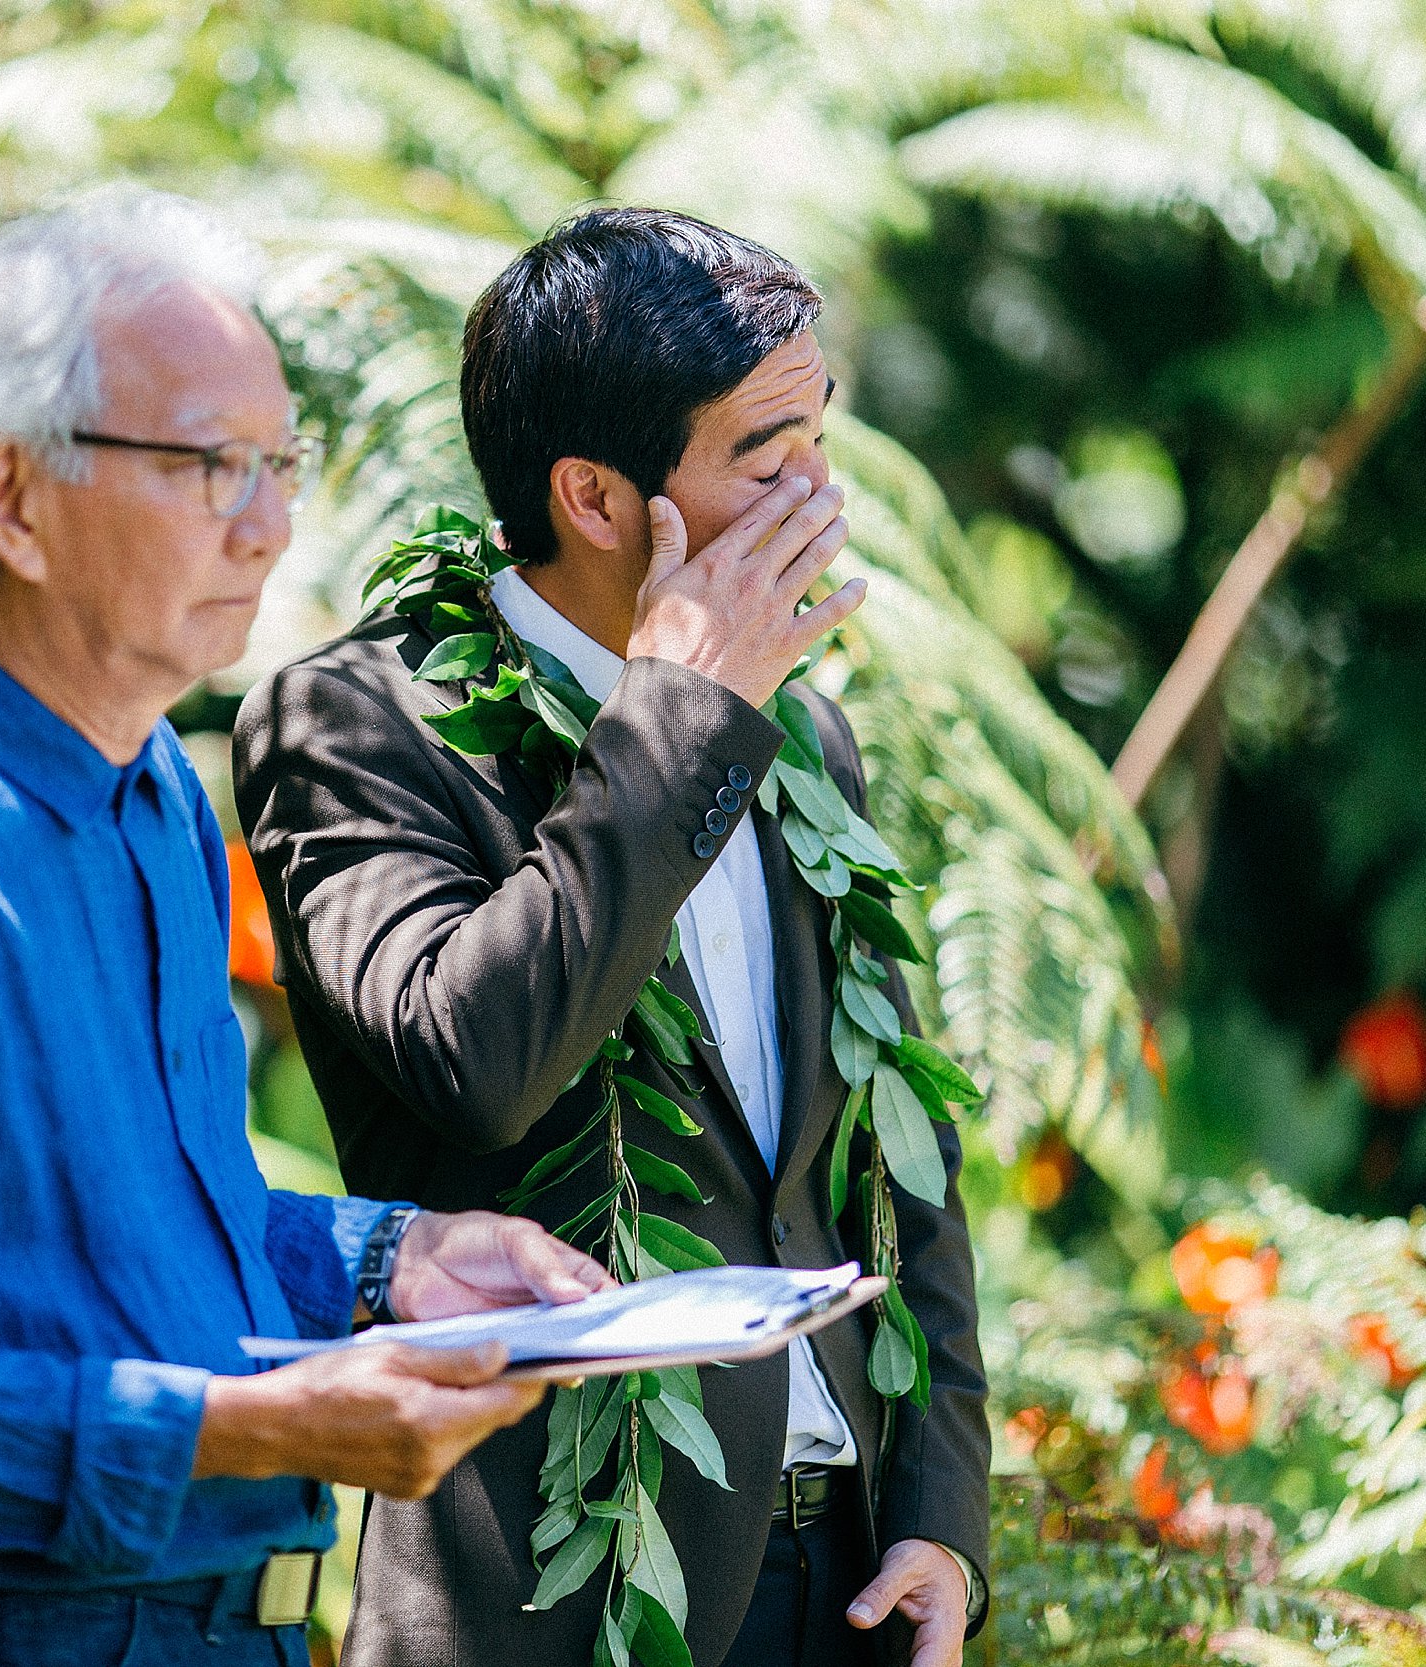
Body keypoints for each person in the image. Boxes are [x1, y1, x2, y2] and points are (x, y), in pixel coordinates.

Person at [0, 189, 610, 1667]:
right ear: (11, 500)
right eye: (208, 466)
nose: (269, 525)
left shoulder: (161, 809)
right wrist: (248, 1428)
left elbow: (162, 1239)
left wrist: (397, 1265)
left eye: (282, 465)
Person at [233, 208, 991, 1667]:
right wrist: (679, 718)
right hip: (552, 1600)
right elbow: (479, 1058)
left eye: (821, 436)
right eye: (767, 457)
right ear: (593, 495)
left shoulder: (805, 734)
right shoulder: (355, 723)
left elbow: (901, 1161)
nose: (819, 493)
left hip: (846, 1589)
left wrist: (942, 1520)